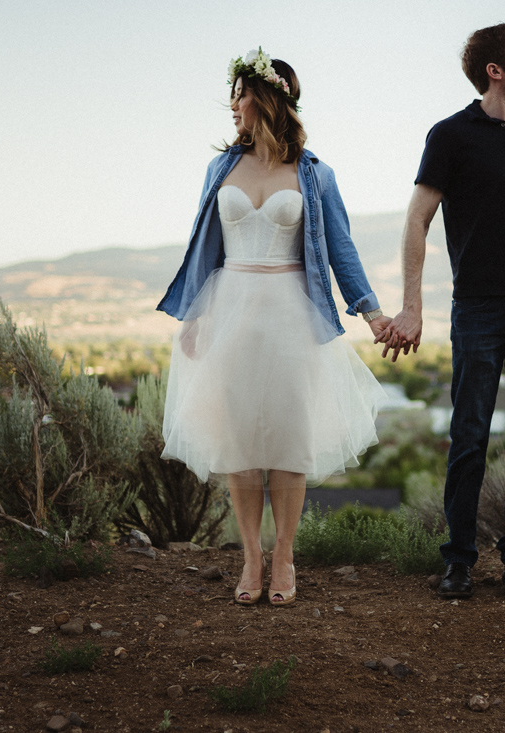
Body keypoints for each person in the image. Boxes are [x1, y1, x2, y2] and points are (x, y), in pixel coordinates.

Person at [157, 48, 391, 607]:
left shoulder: (315, 174)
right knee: (240, 443)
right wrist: (194, 315)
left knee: (287, 439)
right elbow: (204, 249)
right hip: (230, 308)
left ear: (265, 99)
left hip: (291, 312)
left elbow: (341, 249)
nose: (233, 106)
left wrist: (371, 310)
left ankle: (284, 556)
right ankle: (251, 558)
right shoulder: (220, 169)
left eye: (239, 96)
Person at [378, 22, 505, 601]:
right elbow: (417, 218)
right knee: (468, 439)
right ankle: (459, 561)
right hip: (479, 312)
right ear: (496, 71)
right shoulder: (451, 135)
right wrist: (412, 305)